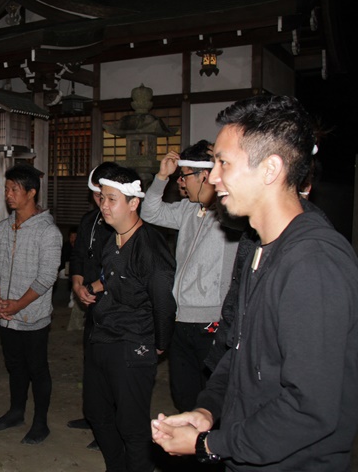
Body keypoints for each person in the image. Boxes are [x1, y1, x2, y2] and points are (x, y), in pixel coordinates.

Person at [151, 96, 358, 471]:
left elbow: (310, 407)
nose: (214, 177)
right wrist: (207, 410)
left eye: (224, 163)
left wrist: (209, 445)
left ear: (270, 169)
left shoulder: (313, 263)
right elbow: (239, 353)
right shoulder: (259, 248)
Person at [83, 165, 176, 472]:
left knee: (131, 425)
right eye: (102, 198)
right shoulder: (114, 238)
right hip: (103, 335)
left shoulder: (149, 246)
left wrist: (159, 343)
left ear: (134, 203)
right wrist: (94, 287)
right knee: (96, 413)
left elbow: (164, 300)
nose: (104, 205)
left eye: (112, 199)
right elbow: (115, 277)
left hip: (133, 341)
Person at [140, 141, 240, 412]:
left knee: (211, 397)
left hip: (212, 321)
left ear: (204, 176)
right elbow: (150, 212)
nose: (180, 183)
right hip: (180, 317)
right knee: (183, 394)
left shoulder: (230, 214)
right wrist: (161, 177)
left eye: (184, 176)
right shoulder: (187, 209)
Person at [0, 163, 62, 445]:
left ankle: (41, 422)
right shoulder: (4, 228)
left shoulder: (48, 232)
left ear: (31, 192)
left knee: (37, 368)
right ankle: (16, 412)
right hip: (5, 312)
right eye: (7, 189)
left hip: (32, 316)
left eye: (14, 189)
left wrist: (19, 304)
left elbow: (47, 277)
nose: (8, 194)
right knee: (14, 365)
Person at [66, 161, 123, 450]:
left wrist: (93, 287)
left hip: (116, 305)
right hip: (90, 301)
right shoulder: (89, 219)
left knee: (112, 366)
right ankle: (94, 416)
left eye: (107, 195)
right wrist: (77, 283)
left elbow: (121, 268)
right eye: (97, 195)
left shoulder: (123, 223)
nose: (101, 201)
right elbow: (78, 255)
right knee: (91, 361)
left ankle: (110, 425)